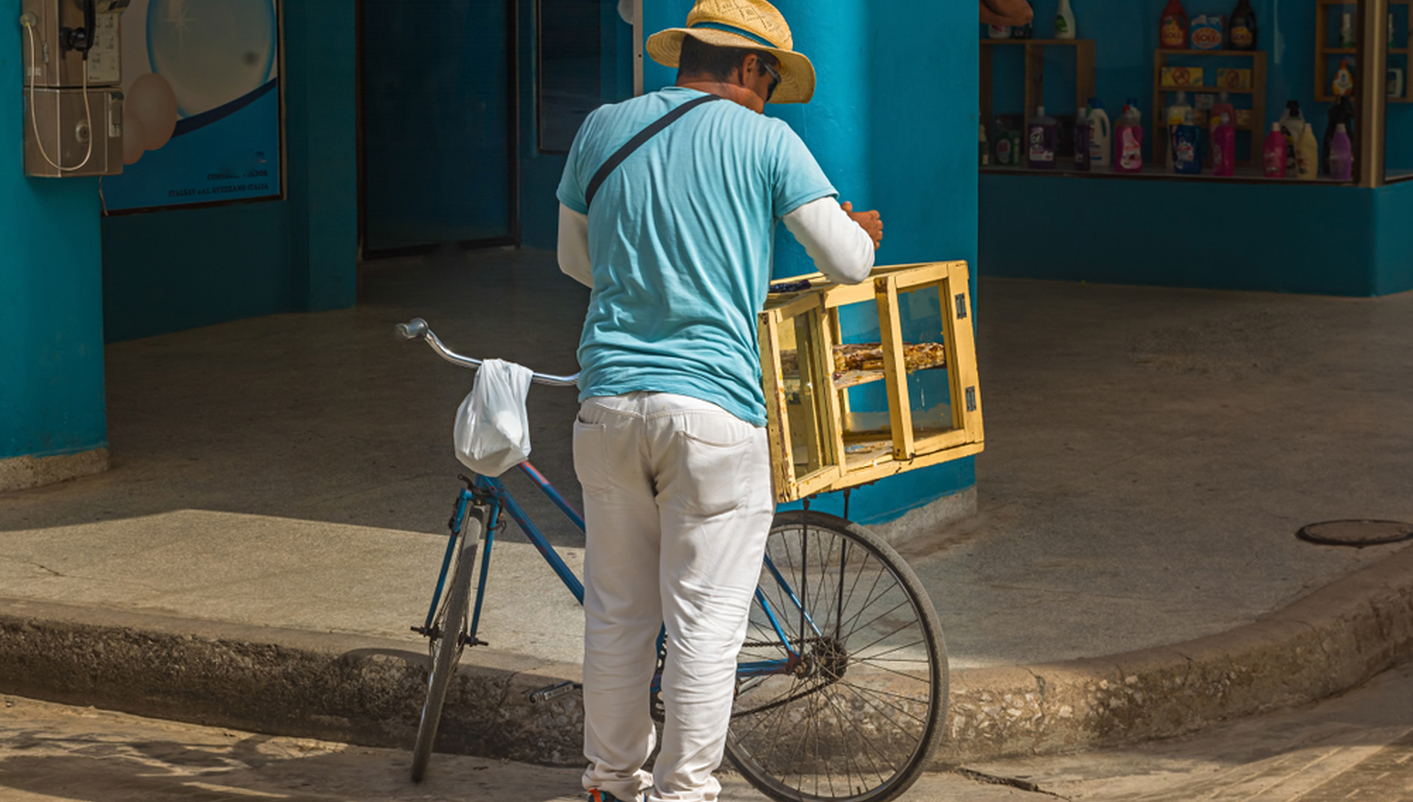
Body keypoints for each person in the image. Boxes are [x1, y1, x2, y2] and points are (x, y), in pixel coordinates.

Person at [554, 2, 881, 801]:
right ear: (746, 67)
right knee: (705, 628)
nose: (770, 99)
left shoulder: (602, 126)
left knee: (618, 618)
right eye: (771, 80)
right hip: (711, 416)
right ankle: (684, 793)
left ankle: (608, 783)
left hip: (606, 409)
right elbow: (846, 263)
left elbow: (575, 262)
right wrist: (859, 230)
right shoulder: (767, 141)